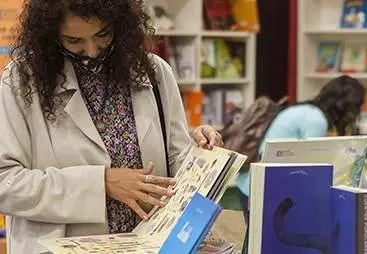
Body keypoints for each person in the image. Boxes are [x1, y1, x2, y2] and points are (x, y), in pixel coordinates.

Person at [0, 0, 223, 253]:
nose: (92, 51)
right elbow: (5, 182)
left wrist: (200, 152)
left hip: (150, 246)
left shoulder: (154, 72)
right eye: (74, 41)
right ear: (50, 33)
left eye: (102, 35)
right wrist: (101, 183)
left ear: (119, 23)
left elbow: (175, 163)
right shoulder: (22, 80)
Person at [236, 75, 365, 251]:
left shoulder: (305, 110)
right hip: (260, 186)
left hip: (250, 181)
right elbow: (312, 166)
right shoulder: (316, 120)